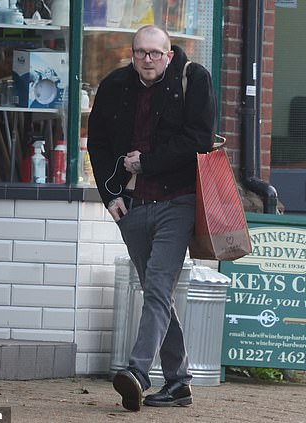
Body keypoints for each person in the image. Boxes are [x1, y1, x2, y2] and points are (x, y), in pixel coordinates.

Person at [87, 25, 216, 412]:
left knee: (159, 288)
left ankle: (138, 373)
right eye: (141, 52)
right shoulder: (114, 86)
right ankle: (179, 383)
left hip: (178, 201)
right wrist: (109, 196)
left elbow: (200, 139)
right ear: (132, 53)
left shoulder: (193, 79)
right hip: (132, 205)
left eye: (155, 53)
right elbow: (98, 143)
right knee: (155, 293)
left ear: (169, 54)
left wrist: (149, 162)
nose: (148, 60)